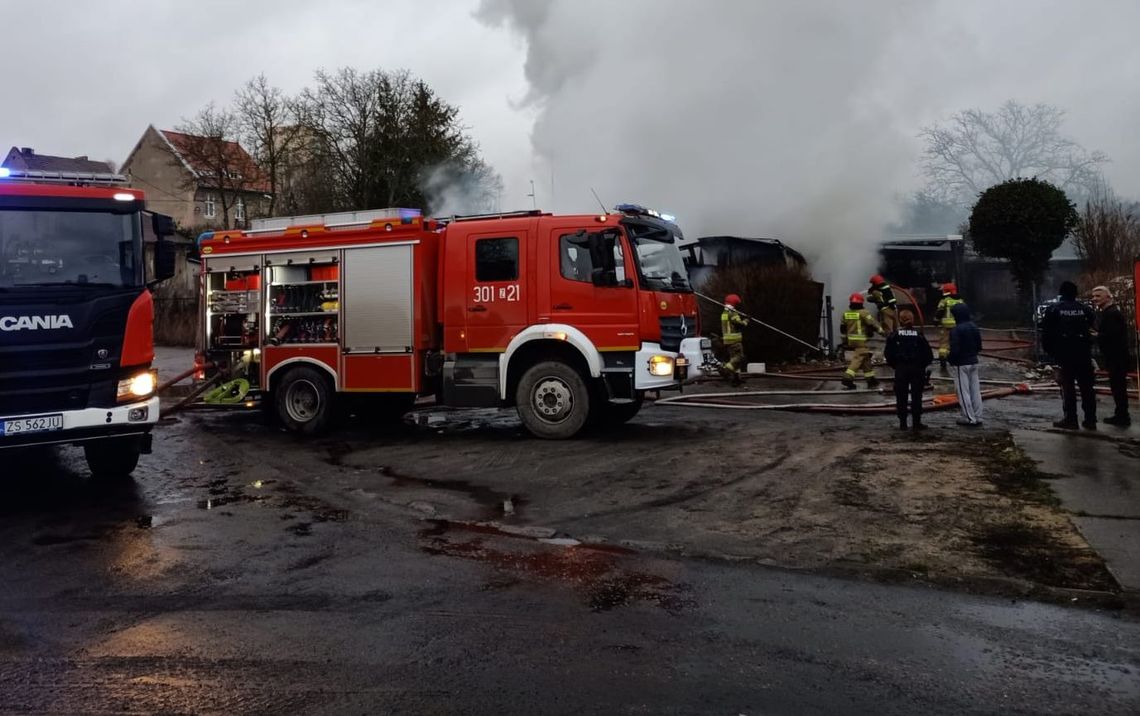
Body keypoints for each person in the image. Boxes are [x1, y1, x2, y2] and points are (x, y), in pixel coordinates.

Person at [1042, 281, 1097, 430]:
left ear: (1061, 293)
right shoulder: (1085, 309)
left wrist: (1050, 352)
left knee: (1068, 387)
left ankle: (1071, 419)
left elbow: (1046, 333)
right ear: (1075, 293)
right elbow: (1094, 325)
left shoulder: (1054, 309)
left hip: (1065, 354)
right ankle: (1091, 420)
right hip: (1084, 353)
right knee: (1087, 387)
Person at [884, 309, 934, 431]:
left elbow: (888, 354)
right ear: (912, 320)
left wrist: (896, 365)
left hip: (901, 369)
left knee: (901, 396)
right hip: (917, 369)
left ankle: (903, 423)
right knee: (917, 396)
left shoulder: (894, 336)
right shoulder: (919, 336)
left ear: (900, 321)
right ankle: (916, 423)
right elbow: (928, 355)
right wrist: (922, 366)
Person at [1091, 285, 1131, 426]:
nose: (1094, 298)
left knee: (1118, 387)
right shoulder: (1110, 312)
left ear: (1108, 297)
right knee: (1118, 387)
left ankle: (1122, 416)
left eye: (1098, 296)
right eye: (1094, 296)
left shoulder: (1111, 314)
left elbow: (1112, 336)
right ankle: (1121, 414)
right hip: (1116, 356)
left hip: (1117, 357)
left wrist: (1097, 335)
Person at [947, 302, 984, 426]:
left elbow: (955, 349)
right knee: (975, 390)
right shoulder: (974, 326)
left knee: (963, 392)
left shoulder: (956, 330)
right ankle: (978, 416)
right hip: (973, 361)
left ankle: (968, 417)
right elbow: (979, 346)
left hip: (960, 363)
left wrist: (950, 359)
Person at [840, 292, 882, 390]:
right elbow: (873, 324)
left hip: (851, 340)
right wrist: (883, 332)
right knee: (858, 359)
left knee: (865, 358)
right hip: (861, 341)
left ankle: (871, 379)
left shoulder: (846, 313)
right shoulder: (864, 313)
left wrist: (844, 341)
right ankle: (847, 378)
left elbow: (842, 328)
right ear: (861, 303)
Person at [720, 293, 749, 386]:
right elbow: (739, 324)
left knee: (734, 359)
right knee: (739, 358)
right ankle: (726, 369)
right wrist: (746, 320)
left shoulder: (724, 313)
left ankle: (736, 379)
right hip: (734, 340)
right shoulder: (732, 313)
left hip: (727, 340)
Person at [934, 282, 963, 371]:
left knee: (944, 344)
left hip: (946, 326)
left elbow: (939, 312)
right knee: (957, 343)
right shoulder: (960, 301)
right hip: (958, 326)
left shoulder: (944, 301)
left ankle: (943, 361)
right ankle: (957, 359)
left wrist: (935, 320)